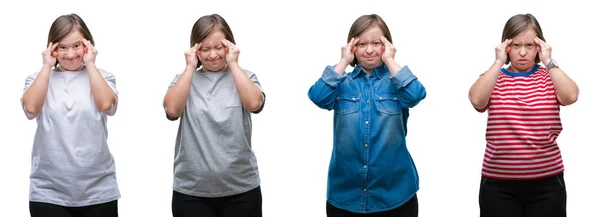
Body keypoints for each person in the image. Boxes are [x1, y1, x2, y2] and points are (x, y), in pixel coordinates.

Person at [308, 14, 426, 217]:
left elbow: (416, 94)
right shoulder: (341, 82)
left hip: (396, 195)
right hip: (345, 196)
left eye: (376, 43)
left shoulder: (397, 81)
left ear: (387, 45)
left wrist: (390, 60)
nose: (369, 50)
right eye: (361, 44)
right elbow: (318, 97)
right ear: (352, 47)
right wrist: (343, 61)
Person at [468, 13, 579, 217]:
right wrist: (498, 62)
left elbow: (571, 96)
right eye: (516, 45)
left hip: (547, 183)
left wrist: (548, 61)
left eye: (529, 45)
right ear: (506, 46)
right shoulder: (494, 78)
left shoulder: (550, 77)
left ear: (539, 46)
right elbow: (476, 100)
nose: (522, 53)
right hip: (498, 185)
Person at [163, 14, 265, 217]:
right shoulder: (184, 80)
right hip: (191, 192)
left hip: (242, 189)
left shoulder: (246, 77)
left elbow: (254, 103)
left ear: (230, 45)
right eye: (205, 49)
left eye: (219, 47)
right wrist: (190, 67)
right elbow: (172, 109)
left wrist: (234, 64)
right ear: (195, 49)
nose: (213, 55)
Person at [21, 14, 120, 217]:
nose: (70, 54)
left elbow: (106, 104)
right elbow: (30, 109)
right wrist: (47, 66)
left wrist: (90, 64)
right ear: (52, 48)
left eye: (76, 45)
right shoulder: (38, 78)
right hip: (48, 192)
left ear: (88, 45)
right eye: (62, 47)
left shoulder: (103, 77)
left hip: (98, 190)